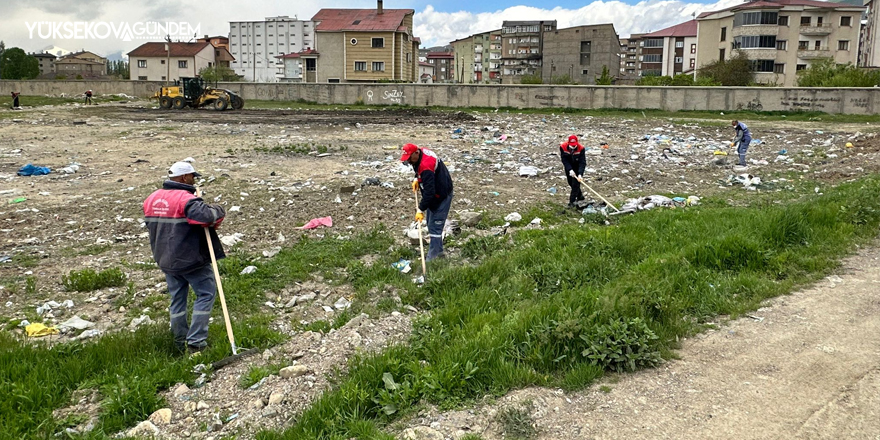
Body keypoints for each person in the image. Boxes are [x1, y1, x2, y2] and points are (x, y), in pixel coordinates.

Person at [143, 161, 226, 354]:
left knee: (177, 298)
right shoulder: (185, 199)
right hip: (189, 259)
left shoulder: (152, 198)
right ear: (183, 178)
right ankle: (196, 342)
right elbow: (206, 217)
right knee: (205, 293)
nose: (194, 180)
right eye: (192, 176)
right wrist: (218, 210)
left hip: (165, 258)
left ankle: (179, 340)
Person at [401, 143, 453, 260]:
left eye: (409, 158)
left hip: (441, 195)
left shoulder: (426, 166)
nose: (408, 161)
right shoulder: (420, 155)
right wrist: (417, 178)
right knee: (430, 223)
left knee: (435, 227)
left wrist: (420, 209)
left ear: (416, 153)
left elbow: (430, 192)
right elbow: (418, 168)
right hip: (435, 192)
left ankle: (432, 260)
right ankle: (439, 253)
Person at [560, 134, 586, 208]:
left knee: (575, 184)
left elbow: (582, 162)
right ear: (568, 143)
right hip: (569, 166)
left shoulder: (581, 148)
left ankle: (571, 202)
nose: (573, 147)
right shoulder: (563, 147)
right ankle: (580, 196)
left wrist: (580, 174)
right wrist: (570, 169)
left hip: (577, 166)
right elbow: (564, 160)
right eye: (572, 145)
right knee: (570, 182)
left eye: (575, 145)